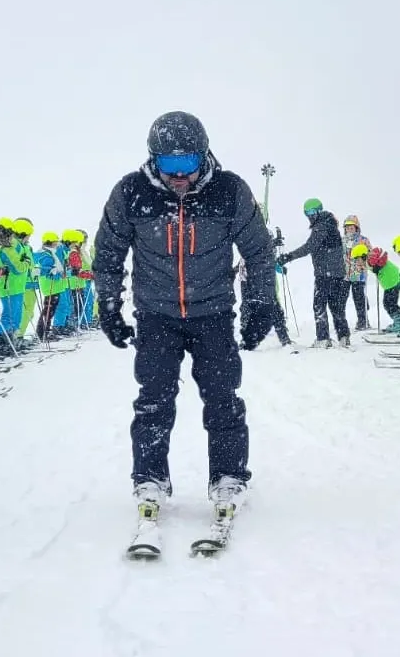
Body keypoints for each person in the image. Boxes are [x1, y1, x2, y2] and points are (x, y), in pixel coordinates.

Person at [92, 110, 276, 511]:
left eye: (188, 162)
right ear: (152, 158)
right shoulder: (131, 193)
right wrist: (108, 303)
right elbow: (107, 253)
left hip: (213, 315)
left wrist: (261, 303)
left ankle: (228, 476)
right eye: (168, 163)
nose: (179, 174)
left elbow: (259, 252)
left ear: (204, 155)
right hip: (156, 316)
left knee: (223, 398)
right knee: (153, 400)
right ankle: (150, 479)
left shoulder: (229, 191)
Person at [277, 198, 350, 348]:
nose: (309, 216)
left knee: (319, 305)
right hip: (337, 274)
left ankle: (323, 339)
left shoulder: (321, 226)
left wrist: (288, 257)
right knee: (336, 306)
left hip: (325, 273)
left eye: (312, 212)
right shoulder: (330, 224)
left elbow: (309, 247)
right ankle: (344, 337)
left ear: (319, 210)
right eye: (307, 213)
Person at [342, 215, 369, 330]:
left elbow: (370, 253)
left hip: (358, 274)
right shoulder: (342, 240)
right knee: (341, 298)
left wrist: (365, 257)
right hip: (345, 274)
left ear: (356, 228)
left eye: (352, 227)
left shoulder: (363, 240)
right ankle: (341, 321)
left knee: (358, 297)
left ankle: (363, 321)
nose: (349, 229)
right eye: (347, 227)